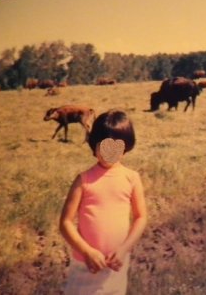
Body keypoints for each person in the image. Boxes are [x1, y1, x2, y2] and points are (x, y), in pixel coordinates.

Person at [59, 109, 147, 294]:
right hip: (86, 264)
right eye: (105, 146)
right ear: (94, 146)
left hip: (117, 264)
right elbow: (65, 223)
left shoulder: (131, 178)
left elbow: (141, 217)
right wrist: (87, 251)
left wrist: (124, 249)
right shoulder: (83, 180)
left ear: (126, 147)